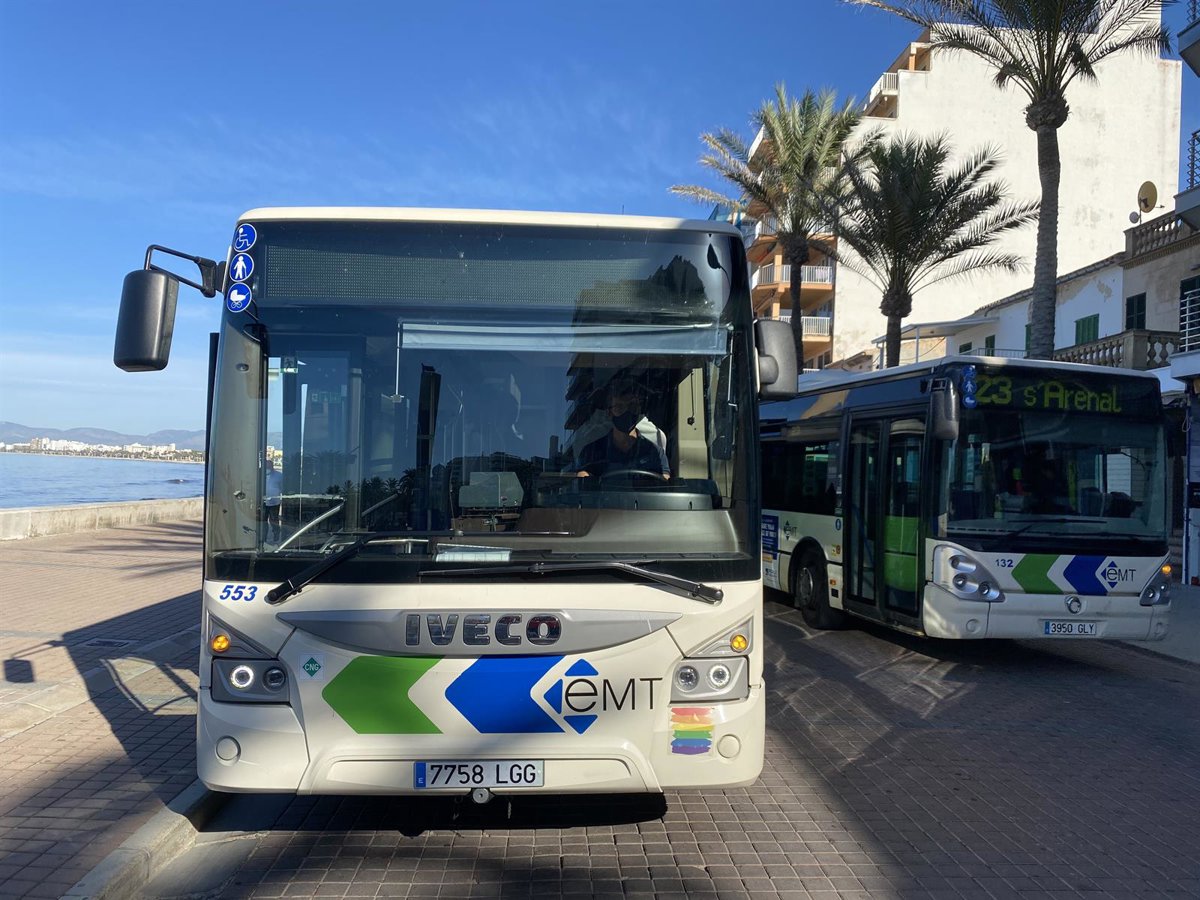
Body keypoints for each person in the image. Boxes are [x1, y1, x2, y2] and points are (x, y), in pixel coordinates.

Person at [576, 381, 669, 480]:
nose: (626, 412)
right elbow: (583, 479)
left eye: (632, 406)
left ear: (639, 409)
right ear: (609, 413)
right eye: (619, 407)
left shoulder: (654, 452)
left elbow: (664, 481)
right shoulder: (591, 452)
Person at [263, 457, 283, 542]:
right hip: (263, 503)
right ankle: (263, 539)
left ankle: (276, 537)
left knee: (274, 520)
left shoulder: (279, 475)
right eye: (266, 467)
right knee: (263, 521)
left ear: (272, 467)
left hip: (274, 502)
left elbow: (282, 488)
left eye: (269, 466)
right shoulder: (260, 475)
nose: (268, 468)